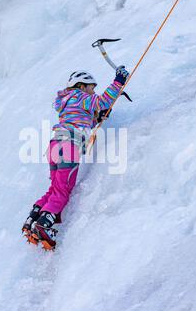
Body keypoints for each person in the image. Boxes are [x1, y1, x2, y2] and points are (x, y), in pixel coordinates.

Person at [22, 66, 129, 249]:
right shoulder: (80, 96)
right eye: (91, 87)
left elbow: (83, 119)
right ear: (81, 86)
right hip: (69, 146)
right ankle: (43, 225)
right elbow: (102, 101)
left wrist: (97, 118)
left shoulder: (67, 102)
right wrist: (118, 81)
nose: (93, 91)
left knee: (54, 189)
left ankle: (31, 220)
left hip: (55, 145)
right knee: (63, 191)